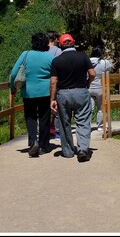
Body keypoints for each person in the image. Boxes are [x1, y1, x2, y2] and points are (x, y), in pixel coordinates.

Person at [49, 33, 96, 162]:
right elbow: (92, 73)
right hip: (81, 92)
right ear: (73, 42)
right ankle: (82, 149)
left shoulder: (56, 61)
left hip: (63, 94)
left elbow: (53, 82)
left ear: (60, 44)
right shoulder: (83, 56)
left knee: (65, 123)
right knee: (83, 122)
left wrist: (52, 99)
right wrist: (87, 83)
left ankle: (68, 151)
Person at [9, 32, 55, 157]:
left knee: (30, 117)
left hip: (28, 92)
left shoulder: (26, 54)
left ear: (33, 43)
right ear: (46, 43)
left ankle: (33, 141)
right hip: (46, 92)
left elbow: (14, 73)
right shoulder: (50, 57)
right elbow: (55, 76)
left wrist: (13, 87)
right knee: (44, 118)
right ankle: (44, 146)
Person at [87, 46, 113, 131]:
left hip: (89, 87)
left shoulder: (87, 61)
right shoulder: (104, 63)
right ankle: (100, 126)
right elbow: (109, 69)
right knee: (101, 108)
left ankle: (87, 124)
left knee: (89, 108)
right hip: (100, 88)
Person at [46, 31, 63, 139]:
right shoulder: (58, 51)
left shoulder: (42, 51)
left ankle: (45, 131)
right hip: (55, 82)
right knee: (56, 107)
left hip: (43, 83)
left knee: (44, 109)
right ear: (54, 39)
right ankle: (57, 132)